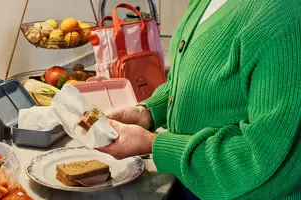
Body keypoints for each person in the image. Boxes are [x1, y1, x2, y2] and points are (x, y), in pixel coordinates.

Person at [96, 0, 301, 199]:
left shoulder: (285, 15)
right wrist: (148, 112)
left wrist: (152, 144)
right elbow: (195, 80)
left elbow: (267, 158)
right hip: (192, 182)